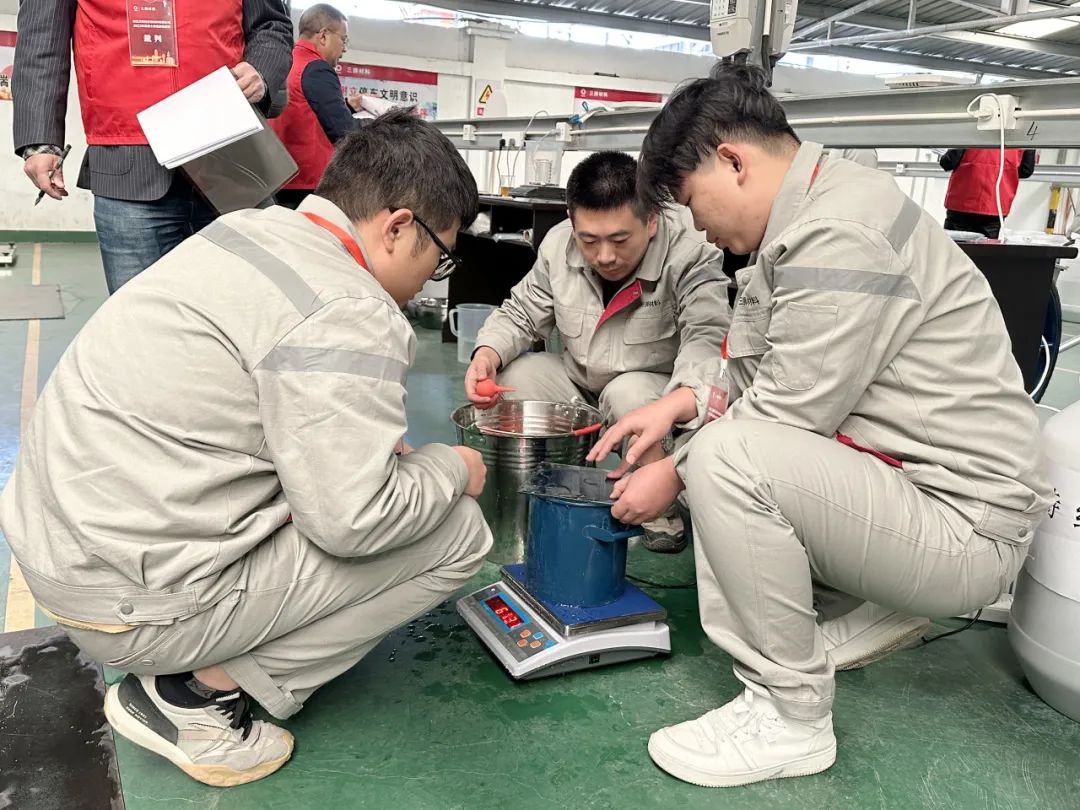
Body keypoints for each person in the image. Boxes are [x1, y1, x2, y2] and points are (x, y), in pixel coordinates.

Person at [588, 64, 1052, 788]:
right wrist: (676, 405)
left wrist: (671, 476)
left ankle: (789, 714)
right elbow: (761, 371)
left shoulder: (839, 232)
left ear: (732, 161)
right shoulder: (810, 217)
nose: (698, 226)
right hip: (924, 495)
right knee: (718, 442)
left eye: (692, 200)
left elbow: (786, 411)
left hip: (965, 528)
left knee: (726, 461)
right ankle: (875, 603)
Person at [0, 110, 492, 787]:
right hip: (127, 603)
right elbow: (354, 522)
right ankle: (197, 695)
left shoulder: (245, 231)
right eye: (442, 253)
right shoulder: (351, 307)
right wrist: (453, 468)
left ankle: (192, 664)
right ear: (399, 226)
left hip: (61, 547)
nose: (436, 274)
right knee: (458, 530)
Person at [466, 151, 730, 553]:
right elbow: (521, 312)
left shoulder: (690, 249)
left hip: (649, 395)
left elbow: (708, 336)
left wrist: (676, 402)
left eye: (620, 240)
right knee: (516, 379)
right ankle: (552, 487)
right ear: (572, 223)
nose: (604, 256)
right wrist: (487, 354)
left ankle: (659, 503)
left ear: (652, 220)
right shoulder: (559, 245)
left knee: (627, 394)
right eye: (589, 240)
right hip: (580, 382)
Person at [13, 0, 293, 294]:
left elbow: (272, 24)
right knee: (142, 315)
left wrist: (261, 70)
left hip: (230, 149)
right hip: (128, 163)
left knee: (248, 306)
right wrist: (39, 140)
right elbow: (42, 37)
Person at [270, 4, 379, 209]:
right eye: (343, 40)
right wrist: (382, 122)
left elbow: (305, 107)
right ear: (323, 36)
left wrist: (348, 105)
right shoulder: (316, 68)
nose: (345, 48)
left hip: (281, 178)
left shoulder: (288, 61)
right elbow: (344, 130)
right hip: (308, 185)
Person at [940, 148, 1037, 238]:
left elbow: (948, 162)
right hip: (995, 205)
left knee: (953, 247)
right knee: (986, 249)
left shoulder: (971, 134)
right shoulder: (1023, 137)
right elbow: (1026, 170)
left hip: (962, 202)